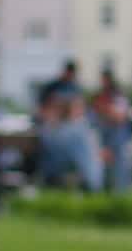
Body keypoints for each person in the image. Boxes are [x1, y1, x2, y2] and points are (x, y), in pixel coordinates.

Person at [36, 59, 102, 192]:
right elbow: (42, 111)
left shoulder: (74, 88)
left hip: (66, 130)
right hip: (56, 129)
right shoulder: (53, 87)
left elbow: (79, 110)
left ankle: (89, 185)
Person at [91, 69, 132, 192]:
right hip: (106, 136)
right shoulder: (102, 96)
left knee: (119, 167)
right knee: (106, 167)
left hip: (116, 137)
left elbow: (120, 117)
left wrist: (106, 110)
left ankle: (120, 191)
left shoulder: (117, 96)